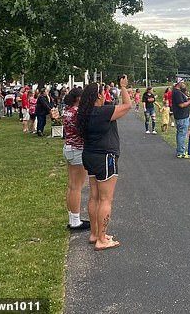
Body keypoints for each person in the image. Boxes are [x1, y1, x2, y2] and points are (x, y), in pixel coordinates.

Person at [78, 76, 132, 250]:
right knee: (106, 199)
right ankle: (102, 239)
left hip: (90, 156)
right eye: (103, 92)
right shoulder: (103, 113)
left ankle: (95, 233)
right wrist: (123, 87)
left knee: (94, 196)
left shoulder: (84, 113)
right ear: (99, 96)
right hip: (105, 157)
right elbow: (128, 106)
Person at [61, 87, 91, 231]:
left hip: (69, 147)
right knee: (77, 187)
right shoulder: (77, 113)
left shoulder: (67, 110)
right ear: (79, 98)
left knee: (72, 185)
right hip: (78, 149)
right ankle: (75, 221)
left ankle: (72, 217)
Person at [172, 78, 190, 158]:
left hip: (183, 115)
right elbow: (181, 105)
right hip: (182, 116)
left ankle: (180, 150)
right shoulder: (177, 93)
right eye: (182, 82)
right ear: (179, 83)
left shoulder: (178, 92)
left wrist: (187, 99)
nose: (184, 83)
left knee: (181, 133)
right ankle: (181, 152)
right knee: (182, 134)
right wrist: (189, 102)